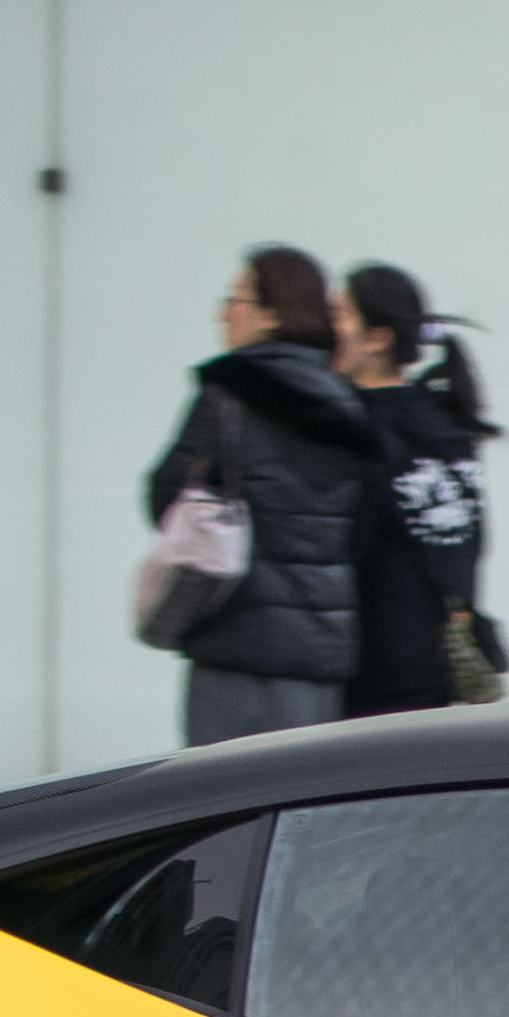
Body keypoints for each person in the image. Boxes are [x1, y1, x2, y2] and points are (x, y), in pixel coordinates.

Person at [149, 247, 380, 745]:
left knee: (222, 802)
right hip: (320, 653)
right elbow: (363, 528)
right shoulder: (346, 400)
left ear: (271, 312)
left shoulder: (228, 395)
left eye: (234, 299)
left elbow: (166, 497)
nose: (222, 313)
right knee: (303, 804)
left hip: (236, 640)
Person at [330, 262, 499, 717]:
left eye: (340, 314)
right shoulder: (444, 422)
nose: (328, 328)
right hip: (434, 656)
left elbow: (351, 543)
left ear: (377, 338)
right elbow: (471, 539)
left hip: (371, 658)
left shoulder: (357, 424)